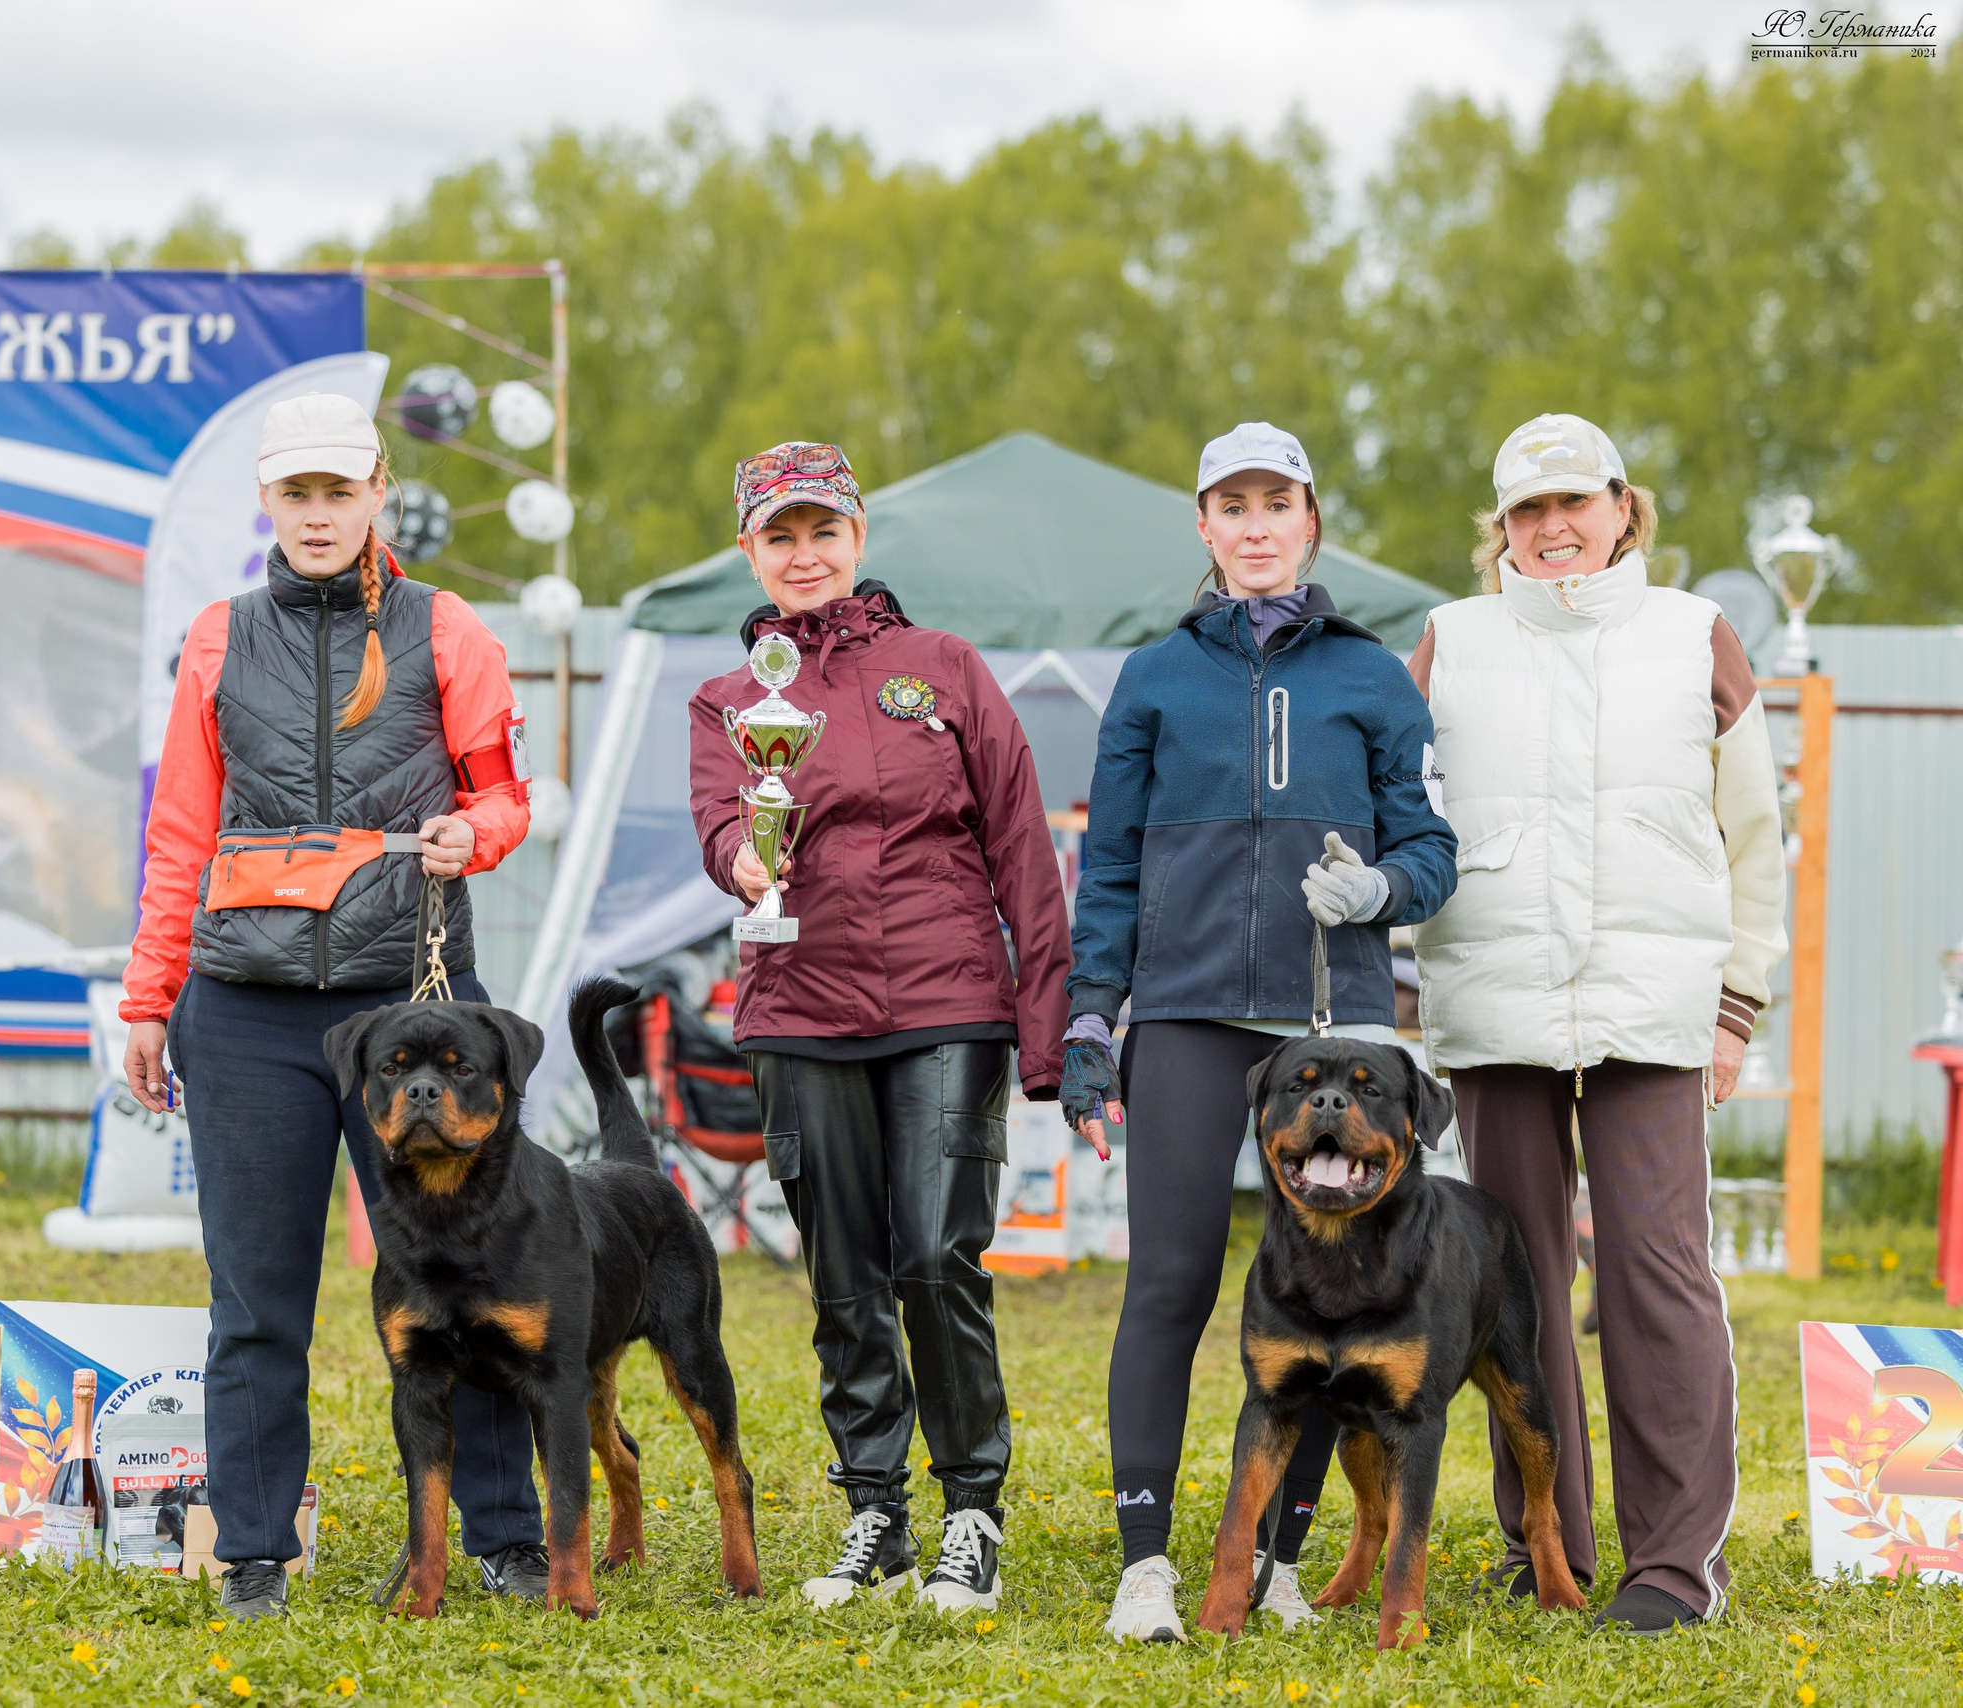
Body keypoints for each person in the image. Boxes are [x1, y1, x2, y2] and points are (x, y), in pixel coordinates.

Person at [119, 392, 543, 1622]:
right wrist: (150, 997)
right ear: (269, 503)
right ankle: (252, 1545)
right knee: (256, 1297)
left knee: (465, 1280)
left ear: (377, 495)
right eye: (293, 495)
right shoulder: (215, 636)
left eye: (337, 492)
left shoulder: (447, 628)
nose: (316, 515)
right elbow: (180, 834)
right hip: (244, 1010)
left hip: (413, 1005)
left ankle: (507, 1536)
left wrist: (477, 832)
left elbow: (507, 798)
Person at [1059, 423, 1458, 1641]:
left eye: (1274, 502)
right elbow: (1110, 865)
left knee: (1331, 1299)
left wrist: (1376, 892)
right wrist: (1089, 1012)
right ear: (1202, 525)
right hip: (1182, 1018)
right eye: (1229, 505)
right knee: (1168, 1285)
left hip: (1327, 1031)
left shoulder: (1374, 677)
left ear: (1309, 517)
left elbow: (1434, 854)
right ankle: (1145, 1566)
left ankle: (1280, 1559)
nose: (1254, 525)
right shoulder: (1152, 676)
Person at [1408, 413, 1785, 1636]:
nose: (1555, 527)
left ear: (1625, 507)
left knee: (1658, 1276)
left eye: (1577, 501)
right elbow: (1403, 817)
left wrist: (1736, 1004)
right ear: (1500, 528)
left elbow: (1753, 838)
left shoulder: (1694, 637)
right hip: (1495, 1002)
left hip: (1656, 1003)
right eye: (1529, 510)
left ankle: (1674, 1565)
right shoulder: (1448, 643)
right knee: (1512, 1286)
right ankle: (1546, 1544)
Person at [687, 441, 1072, 1615]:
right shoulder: (726, 696)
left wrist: (1046, 1031)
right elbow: (719, 831)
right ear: (748, 549)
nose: (803, 554)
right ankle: (875, 1514)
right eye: (778, 534)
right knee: (843, 1273)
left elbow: (1021, 848)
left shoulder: (943, 668)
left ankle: (970, 1511)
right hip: (798, 1007)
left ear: (858, 539)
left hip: (947, 1001)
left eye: (823, 530)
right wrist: (743, 856)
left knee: (934, 1255)